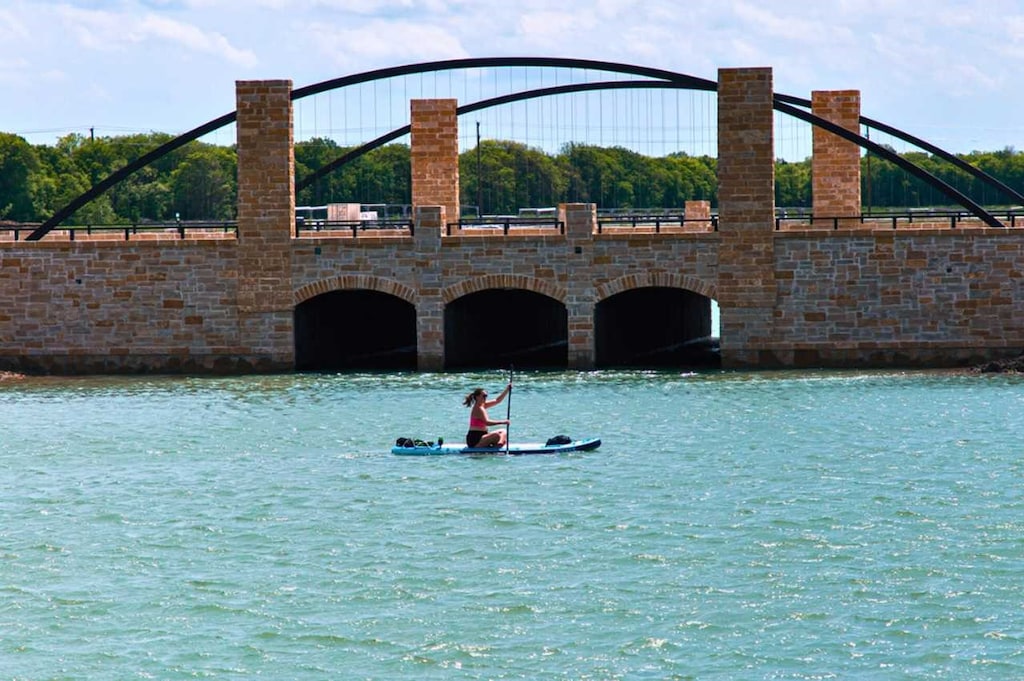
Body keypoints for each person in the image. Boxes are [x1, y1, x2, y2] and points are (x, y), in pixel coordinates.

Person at [463, 383, 511, 447]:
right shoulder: (478, 409)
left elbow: (497, 400)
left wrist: (507, 389)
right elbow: (487, 422)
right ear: (477, 397)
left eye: (486, 396)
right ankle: (499, 445)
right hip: (475, 439)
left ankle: (499, 444)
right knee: (497, 435)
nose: (485, 398)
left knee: (503, 431)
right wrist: (503, 422)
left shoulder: (483, 405)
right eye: (484, 396)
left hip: (483, 435)